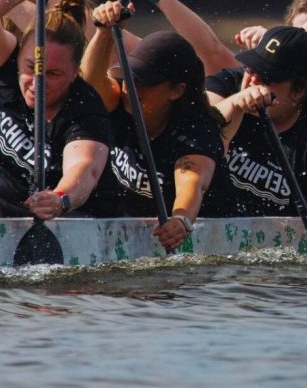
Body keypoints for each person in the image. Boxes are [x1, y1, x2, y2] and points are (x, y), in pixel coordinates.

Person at [203, 26, 307, 253]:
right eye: (252, 69)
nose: (251, 82)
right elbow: (200, 140)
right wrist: (235, 105)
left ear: (297, 92)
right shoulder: (226, 85)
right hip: (211, 234)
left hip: (286, 253)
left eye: (266, 78)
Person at [80, 17, 223, 249]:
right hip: (132, 232)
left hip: (208, 239)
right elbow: (90, 84)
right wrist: (103, 32)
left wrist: (181, 220)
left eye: (144, 81)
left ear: (176, 91)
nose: (129, 87)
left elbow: (193, 183)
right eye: (130, 75)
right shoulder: (120, 101)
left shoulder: (195, 131)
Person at [0, 0, 110, 218]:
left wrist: (59, 198)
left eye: (53, 74)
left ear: (74, 71)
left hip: (69, 222)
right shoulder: (4, 65)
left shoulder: (85, 110)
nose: (37, 83)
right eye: (29, 68)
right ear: (19, 53)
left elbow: (85, 169)